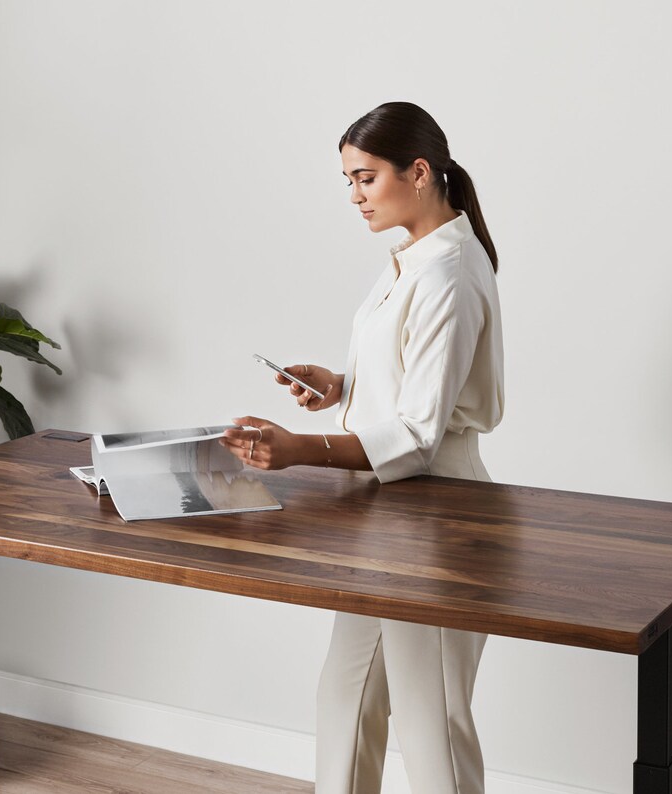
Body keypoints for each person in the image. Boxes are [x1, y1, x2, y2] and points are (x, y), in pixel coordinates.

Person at [220, 101, 504, 794]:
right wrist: (343, 385)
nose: (354, 196)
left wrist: (299, 450)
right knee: (344, 700)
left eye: (365, 178)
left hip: (440, 513)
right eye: (347, 180)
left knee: (429, 720)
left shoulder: (450, 274)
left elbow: (416, 435)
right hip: (390, 512)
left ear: (418, 171)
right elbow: (413, 384)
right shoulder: (411, 258)